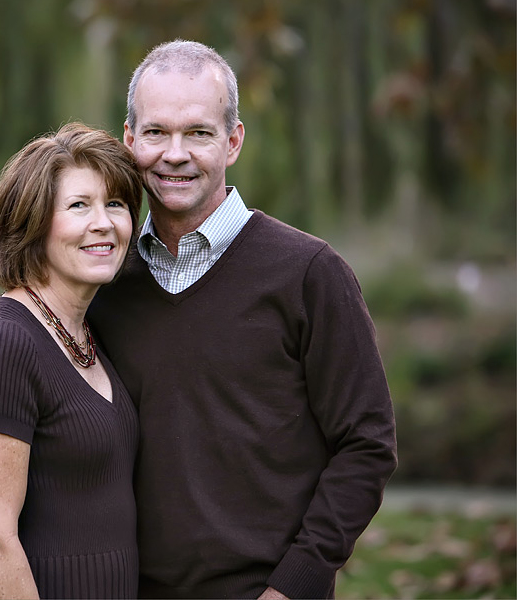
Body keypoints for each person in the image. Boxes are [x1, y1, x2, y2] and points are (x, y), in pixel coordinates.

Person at [87, 40, 398, 599]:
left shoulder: (308, 273)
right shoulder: (108, 285)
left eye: (199, 133)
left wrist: (295, 585)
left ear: (233, 141)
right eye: (156, 132)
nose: (175, 154)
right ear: (129, 141)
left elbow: (367, 444)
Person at [0, 122, 144, 599]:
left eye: (115, 204)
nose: (104, 223)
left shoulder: (90, 333)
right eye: (79, 206)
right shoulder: (4, 344)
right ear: (32, 224)